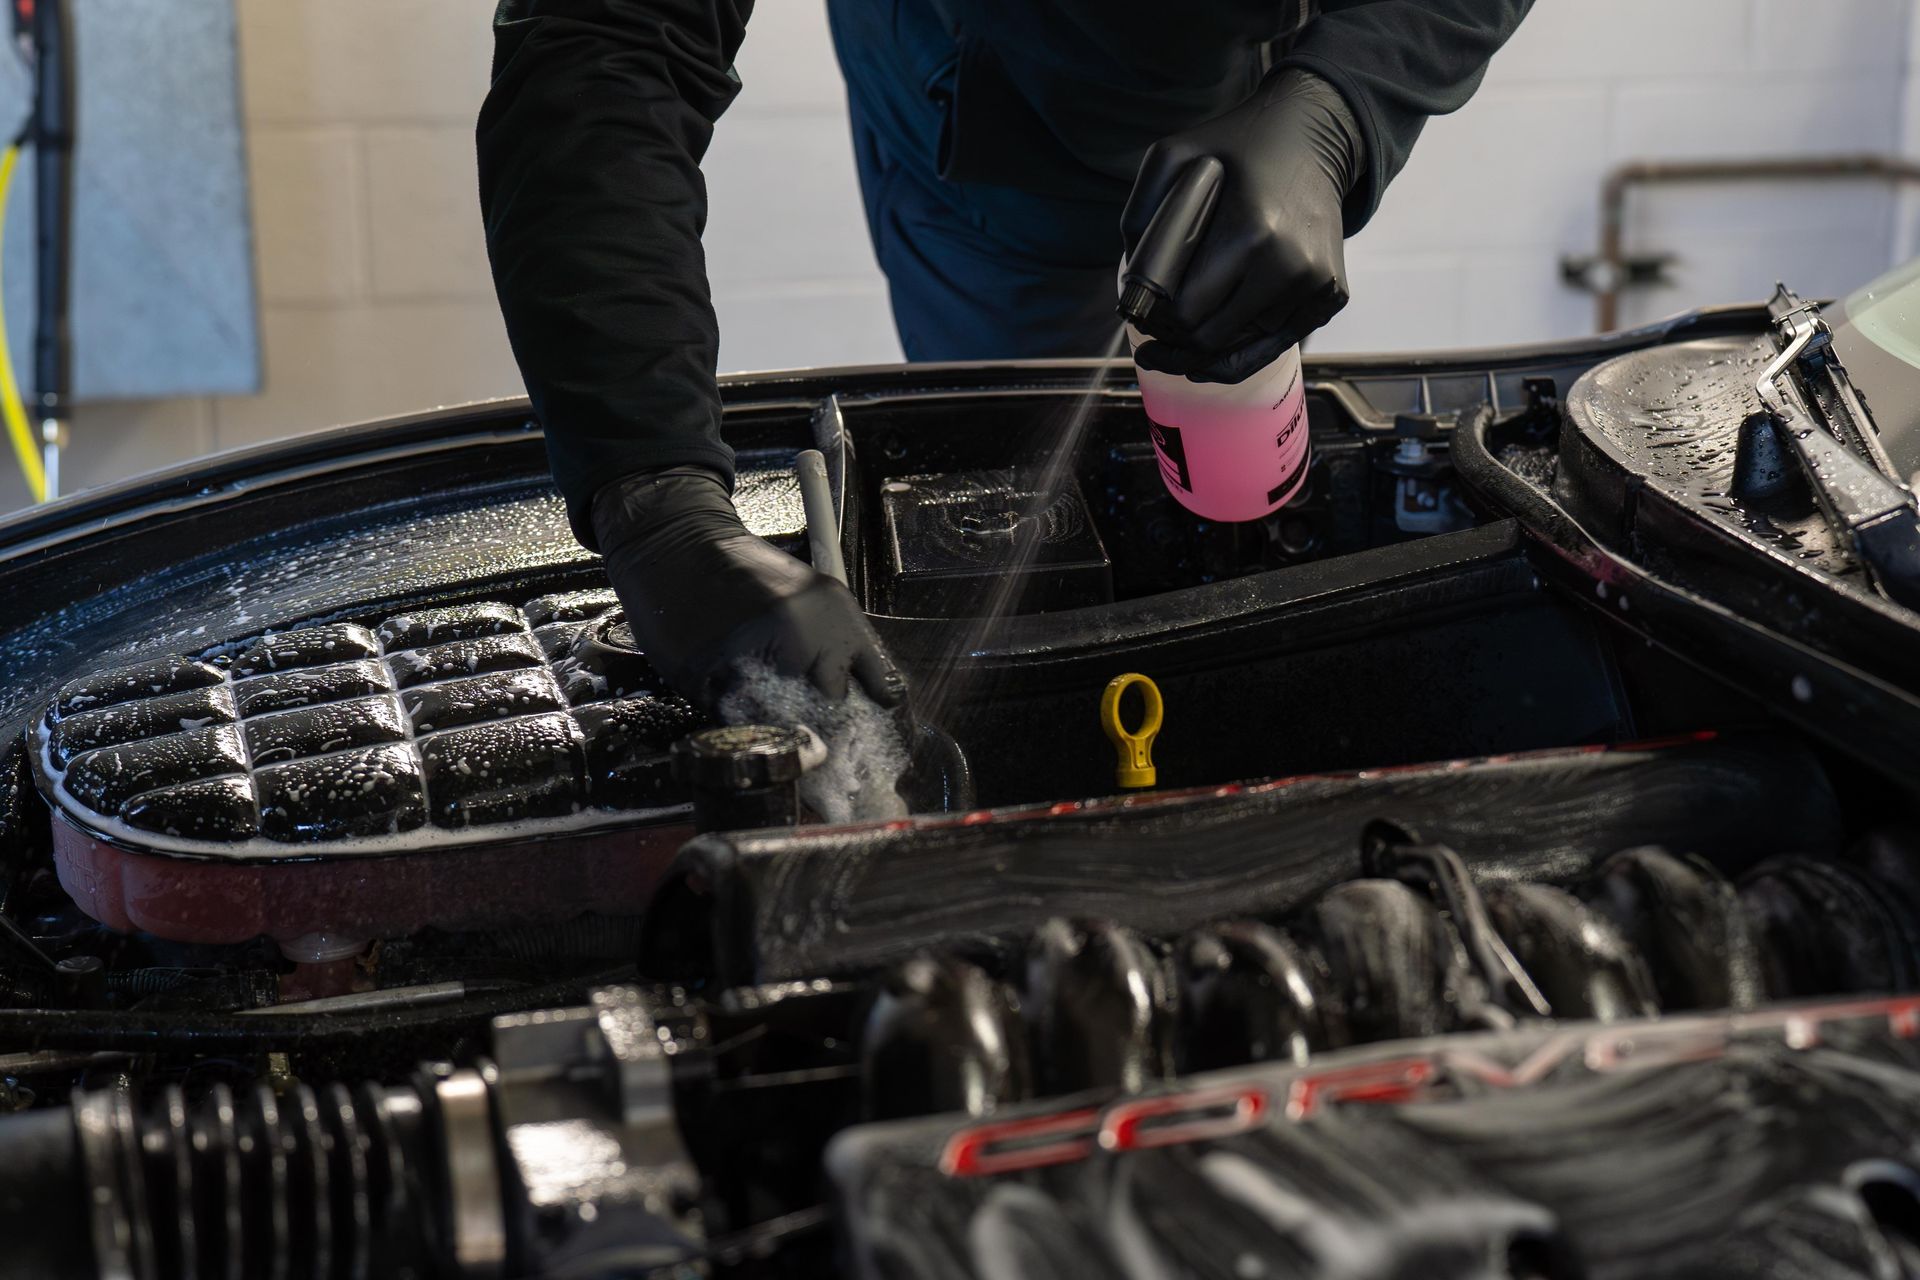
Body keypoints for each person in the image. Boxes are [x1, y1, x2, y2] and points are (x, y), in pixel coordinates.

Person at [477, 0, 1532, 713]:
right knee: (1029, 527)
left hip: (1258, 90)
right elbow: (606, 43)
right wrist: (652, 492)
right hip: (986, 143)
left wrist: (1342, 104)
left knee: (1233, 497)